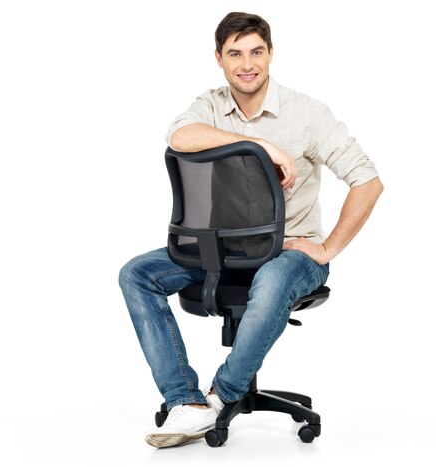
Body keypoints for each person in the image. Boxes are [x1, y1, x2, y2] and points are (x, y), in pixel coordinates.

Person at [118, 12, 383, 448]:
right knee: (136, 273)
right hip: (221, 251)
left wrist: (328, 248)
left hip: (289, 253)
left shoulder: (307, 114)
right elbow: (179, 137)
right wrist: (261, 144)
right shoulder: (211, 106)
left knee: (275, 274)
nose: (247, 63)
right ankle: (185, 401)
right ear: (219, 59)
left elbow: (368, 181)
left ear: (271, 54)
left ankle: (221, 397)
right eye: (235, 53)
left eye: (256, 52)